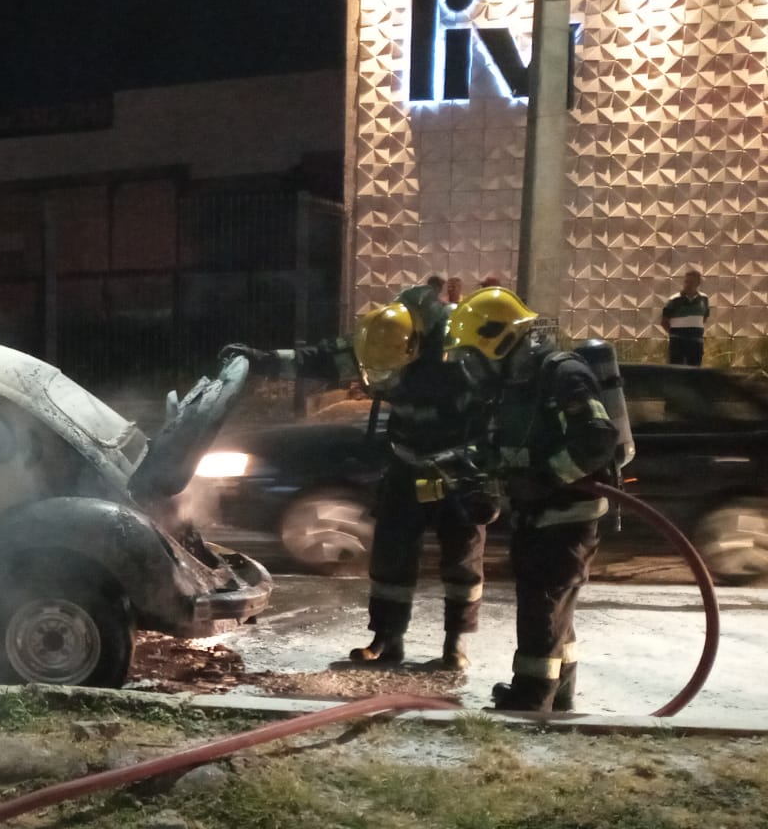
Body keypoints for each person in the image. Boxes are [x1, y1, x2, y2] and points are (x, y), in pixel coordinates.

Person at [223, 283, 493, 669]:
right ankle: (387, 640)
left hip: (459, 470)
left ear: (414, 348)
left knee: (462, 560)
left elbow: (501, 409)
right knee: (390, 557)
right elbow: (322, 359)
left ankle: (455, 647)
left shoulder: (466, 353)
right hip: (406, 462)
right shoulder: (389, 333)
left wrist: (486, 472)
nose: (382, 382)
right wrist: (260, 360)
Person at [445, 286, 620, 712]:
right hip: (536, 513)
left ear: (499, 339)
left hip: (567, 514)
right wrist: (477, 474)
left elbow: (597, 440)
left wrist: (544, 480)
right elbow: (504, 445)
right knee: (554, 606)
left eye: (473, 353)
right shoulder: (512, 383)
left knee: (542, 603)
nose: (470, 365)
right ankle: (557, 693)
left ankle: (530, 699)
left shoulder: (563, 374)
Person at [661, 270, 708, 366]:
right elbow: (664, 321)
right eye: (686, 281)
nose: (688, 285)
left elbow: (704, 317)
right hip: (678, 342)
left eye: (691, 282)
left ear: (698, 283)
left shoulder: (704, 299)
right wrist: (675, 334)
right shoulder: (674, 300)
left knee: (695, 370)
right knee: (676, 369)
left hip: (696, 342)